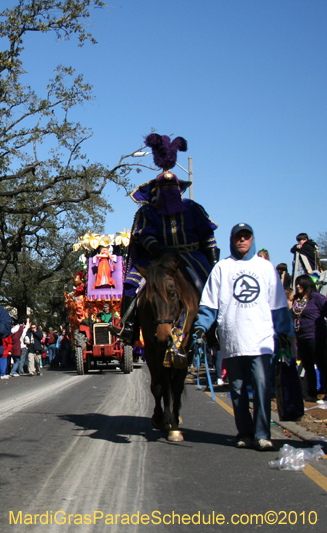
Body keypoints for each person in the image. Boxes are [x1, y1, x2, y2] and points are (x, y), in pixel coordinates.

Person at [193, 223, 294, 451]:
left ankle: (262, 434)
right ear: (232, 240)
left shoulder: (266, 268)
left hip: (261, 341)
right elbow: (209, 304)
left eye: (246, 236)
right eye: (238, 237)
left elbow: (278, 305)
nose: (242, 241)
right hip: (233, 340)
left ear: (252, 239)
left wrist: (285, 333)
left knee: (261, 388)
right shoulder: (221, 268)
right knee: (237, 391)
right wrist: (200, 328)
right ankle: (245, 433)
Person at [120, 134, 219, 342]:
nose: (168, 191)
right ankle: (129, 326)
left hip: (191, 254)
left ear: (179, 189)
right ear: (156, 192)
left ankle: (214, 326)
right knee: (132, 283)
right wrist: (158, 250)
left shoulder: (193, 209)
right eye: (164, 189)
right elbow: (143, 235)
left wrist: (213, 262)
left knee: (209, 283)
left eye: (172, 188)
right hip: (157, 258)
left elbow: (207, 234)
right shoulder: (148, 212)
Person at [291, 275, 327, 401]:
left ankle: (324, 389)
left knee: (322, 364)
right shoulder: (298, 299)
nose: (297, 286)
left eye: (300, 284)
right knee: (307, 365)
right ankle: (311, 391)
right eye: (296, 284)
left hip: (315, 336)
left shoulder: (317, 298)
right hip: (301, 336)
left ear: (306, 284)